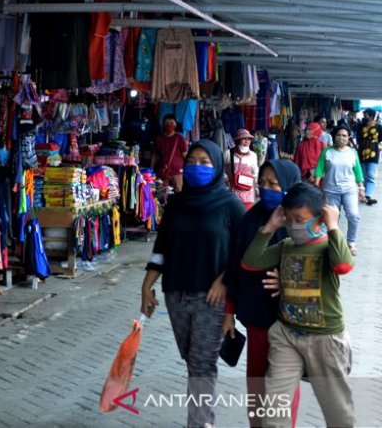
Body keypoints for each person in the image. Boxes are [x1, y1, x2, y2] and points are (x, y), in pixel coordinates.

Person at [141, 139, 245, 428]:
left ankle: (200, 424)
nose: (196, 167)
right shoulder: (176, 204)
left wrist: (225, 282)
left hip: (211, 298)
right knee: (192, 360)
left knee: (201, 365)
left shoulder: (230, 204)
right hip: (175, 294)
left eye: (204, 162)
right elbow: (162, 247)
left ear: (216, 167)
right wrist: (146, 286)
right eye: (191, 161)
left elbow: (245, 249)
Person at [242, 183, 355, 428]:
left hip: (325, 339)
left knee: (337, 410)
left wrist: (334, 226)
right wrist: (270, 227)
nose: (294, 225)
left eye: (300, 219)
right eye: (290, 219)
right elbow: (251, 262)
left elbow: (343, 266)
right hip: (287, 335)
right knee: (274, 408)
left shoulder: (327, 247)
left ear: (320, 218)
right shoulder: (286, 247)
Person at [223, 159, 302, 427]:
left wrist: (288, 281)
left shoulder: (302, 222)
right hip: (257, 320)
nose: (266, 188)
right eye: (263, 183)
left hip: (289, 323)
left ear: (290, 186)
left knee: (283, 389)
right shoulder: (251, 220)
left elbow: (322, 268)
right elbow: (236, 267)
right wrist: (229, 313)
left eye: (274, 183)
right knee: (257, 383)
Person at [313, 124, 364, 255]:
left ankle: (351, 242)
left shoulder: (352, 153)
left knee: (353, 216)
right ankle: (333, 242)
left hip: (349, 190)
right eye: (339, 135)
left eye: (344, 136)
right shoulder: (327, 151)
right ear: (334, 136)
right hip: (330, 190)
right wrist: (316, 183)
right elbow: (319, 168)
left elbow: (358, 171)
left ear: (349, 138)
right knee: (332, 218)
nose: (341, 138)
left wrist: (361, 187)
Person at [152, 114, 188, 192]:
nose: (169, 125)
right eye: (166, 123)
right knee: (160, 194)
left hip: (177, 174)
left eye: (172, 123)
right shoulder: (159, 139)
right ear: (163, 124)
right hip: (162, 172)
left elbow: (185, 156)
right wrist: (151, 170)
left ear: (175, 124)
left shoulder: (180, 139)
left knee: (178, 194)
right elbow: (155, 156)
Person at [228, 128, 259, 209]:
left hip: (248, 191)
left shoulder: (253, 155)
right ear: (238, 140)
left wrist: (256, 186)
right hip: (233, 191)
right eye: (244, 139)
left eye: (249, 139)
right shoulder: (229, 153)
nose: (247, 141)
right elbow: (222, 169)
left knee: (246, 214)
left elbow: (255, 171)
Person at [356, 108, 382, 205]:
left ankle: (367, 195)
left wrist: (371, 142)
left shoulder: (379, 127)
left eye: (366, 115)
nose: (364, 117)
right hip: (361, 153)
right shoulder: (360, 126)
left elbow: (380, 139)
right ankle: (363, 194)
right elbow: (358, 138)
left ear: (371, 116)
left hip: (373, 154)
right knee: (362, 175)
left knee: (370, 175)